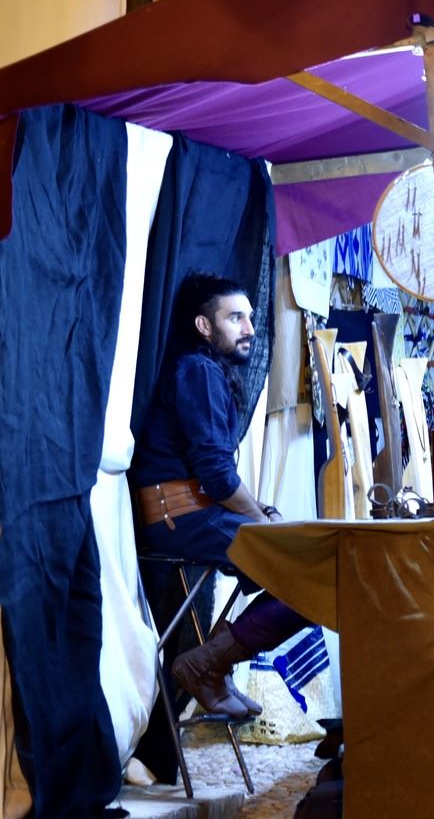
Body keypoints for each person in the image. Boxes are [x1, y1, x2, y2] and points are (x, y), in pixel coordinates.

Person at [129, 274, 311, 720]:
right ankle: (208, 664)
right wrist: (263, 523)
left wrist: (262, 514)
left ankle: (212, 664)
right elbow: (214, 473)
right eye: (235, 318)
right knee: (313, 578)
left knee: (309, 571)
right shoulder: (197, 369)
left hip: (193, 514)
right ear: (204, 326)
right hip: (181, 519)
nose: (250, 328)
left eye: (250, 317)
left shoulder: (208, 372)